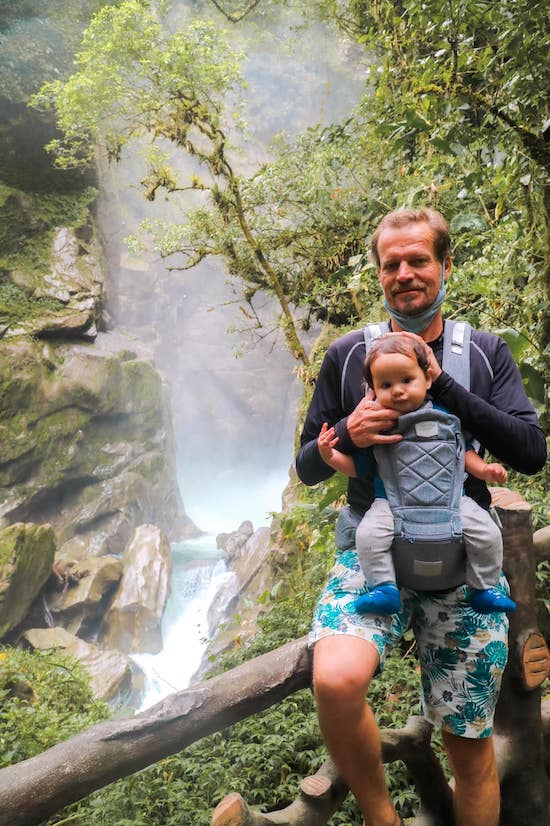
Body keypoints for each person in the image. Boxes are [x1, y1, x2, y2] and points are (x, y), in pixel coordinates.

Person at [295, 207, 547, 826]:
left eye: (418, 260)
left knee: (469, 748)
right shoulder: (349, 355)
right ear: (379, 274)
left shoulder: (483, 353)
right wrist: (350, 432)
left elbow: (530, 452)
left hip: (463, 557)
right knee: (335, 681)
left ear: (444, 265)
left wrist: (445, 391)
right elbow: (306, 466)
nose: (405, 273)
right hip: (371, 546)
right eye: (391, 264)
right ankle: (383, 818)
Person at [317, 332, 517, 615]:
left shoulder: (447, 416)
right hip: (390, 503)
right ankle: (383, 587)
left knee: (487, 532)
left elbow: (461, 453)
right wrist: (330, 455)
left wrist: (485, 470)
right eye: (386, 384)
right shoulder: (378, 425)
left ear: (427, 378)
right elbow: (358, 468)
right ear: (372, 389)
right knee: (368, 534)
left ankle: (483, 587)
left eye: (406, 380)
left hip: (453, 501)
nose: (397, 390)